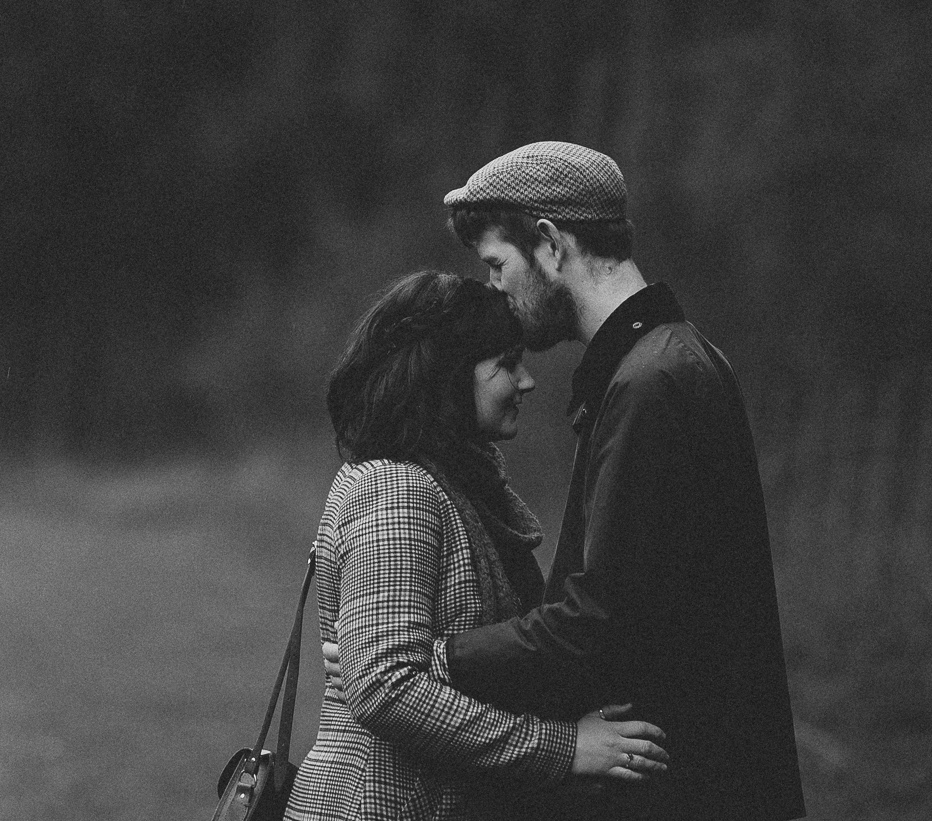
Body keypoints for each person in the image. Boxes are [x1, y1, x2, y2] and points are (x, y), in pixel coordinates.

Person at [435, 141, 805, 820]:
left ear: (548, 244)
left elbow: (597, 621)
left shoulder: (650, 382)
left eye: (497, 265)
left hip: (681, 787)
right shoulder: (660, 362)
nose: (494, 290)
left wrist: (436, 658)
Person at [284, 269, 670, 821]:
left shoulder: (453, 485)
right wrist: (567, 748)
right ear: (446, 376)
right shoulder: (395, 489)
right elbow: (385, 687)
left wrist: (437, 664)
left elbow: (403, 670)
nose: (528, 381)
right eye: (507, 364)